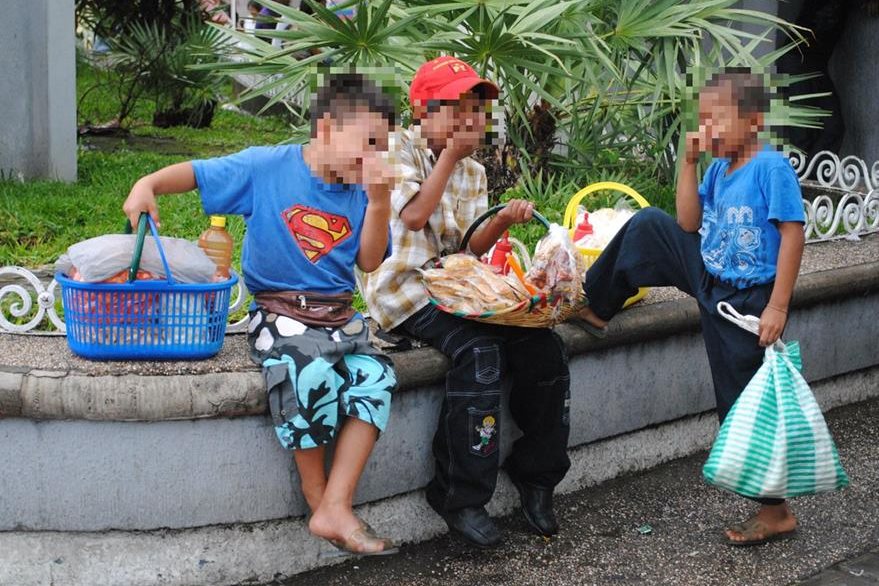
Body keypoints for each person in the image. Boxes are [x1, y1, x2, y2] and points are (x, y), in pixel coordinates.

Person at [122, 72, 400, 556]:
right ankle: (318, 499)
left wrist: (379, 203)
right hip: (281, 314)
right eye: (368, 142)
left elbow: (370, 261)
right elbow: (201, 171)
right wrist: (148, 184)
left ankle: (337, 501)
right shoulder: (268, 168)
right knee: (307, 371)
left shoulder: (363, 192)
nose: (375, 156)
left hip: (339, 320)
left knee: (375, 376)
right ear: (328, 129)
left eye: (383, 145)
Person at [576, 68, 806, 546]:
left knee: (741, 403)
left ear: (754, 120)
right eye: (703, 120)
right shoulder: (720, 168)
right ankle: (597, 305)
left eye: (718, 121)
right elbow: (687, 222)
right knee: (650, 225)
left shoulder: (771, 168)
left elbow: (792, 233)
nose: (709, 130)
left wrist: (778, 307)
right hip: (709, 274)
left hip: (746, 300)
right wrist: (688, 162)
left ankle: (776, 510)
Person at [360, 56, 571, 548]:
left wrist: (503, 219)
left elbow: (471, 245)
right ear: (422, 110)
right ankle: (459, 494)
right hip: (406, 292)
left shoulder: (473, 170)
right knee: (478, 352)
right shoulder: (398, 149)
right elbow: (412, 217)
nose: (471, 120)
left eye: (477, 110)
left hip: (457, 286)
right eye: (458, 108)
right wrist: (450, 158)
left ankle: (538, 476)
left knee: (545, 348)